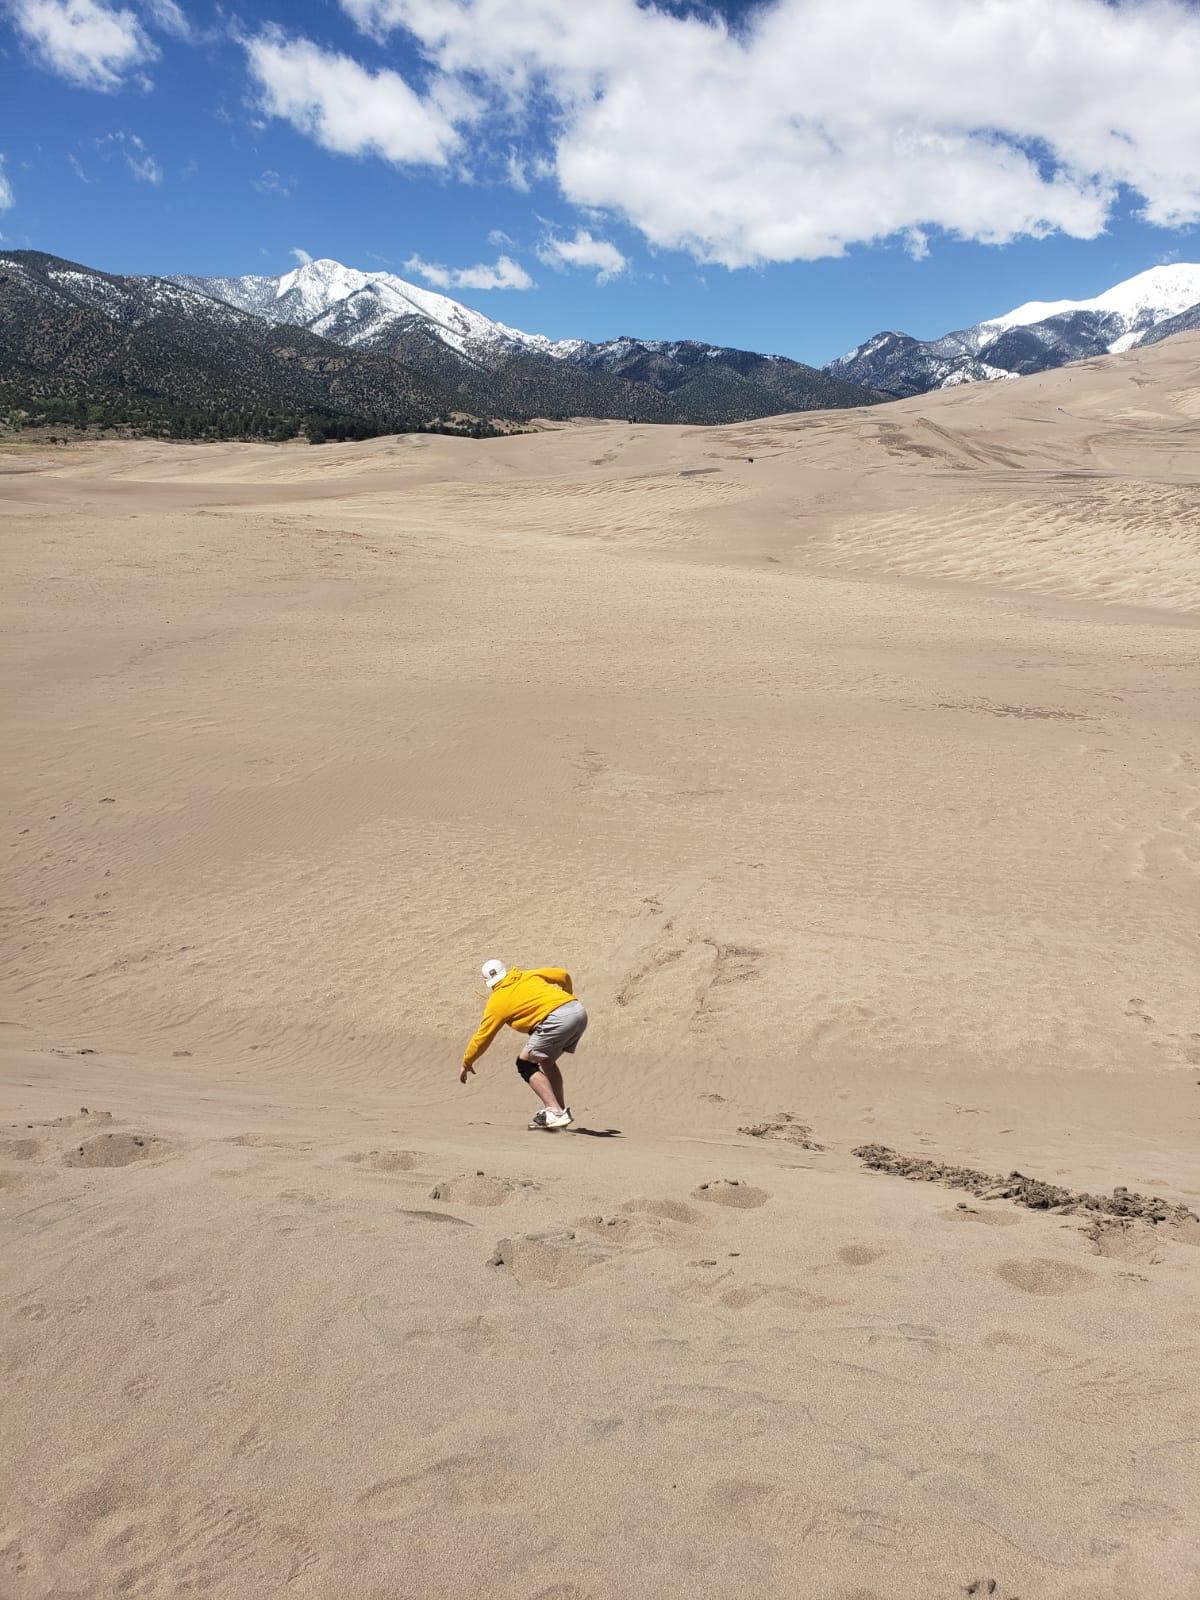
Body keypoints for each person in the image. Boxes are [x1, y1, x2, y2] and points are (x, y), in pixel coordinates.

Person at [459, 960, 588, 1130]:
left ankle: (554, 1112)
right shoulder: (526, 975)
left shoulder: (497, 1002)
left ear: (487, 982)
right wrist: (567, 998)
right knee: (546, 1061)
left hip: (556, 1020)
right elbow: (562, 974)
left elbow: (482, 1037)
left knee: (525, 1064)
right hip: (578, 1011)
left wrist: (467, 1062)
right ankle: (560, 1113)